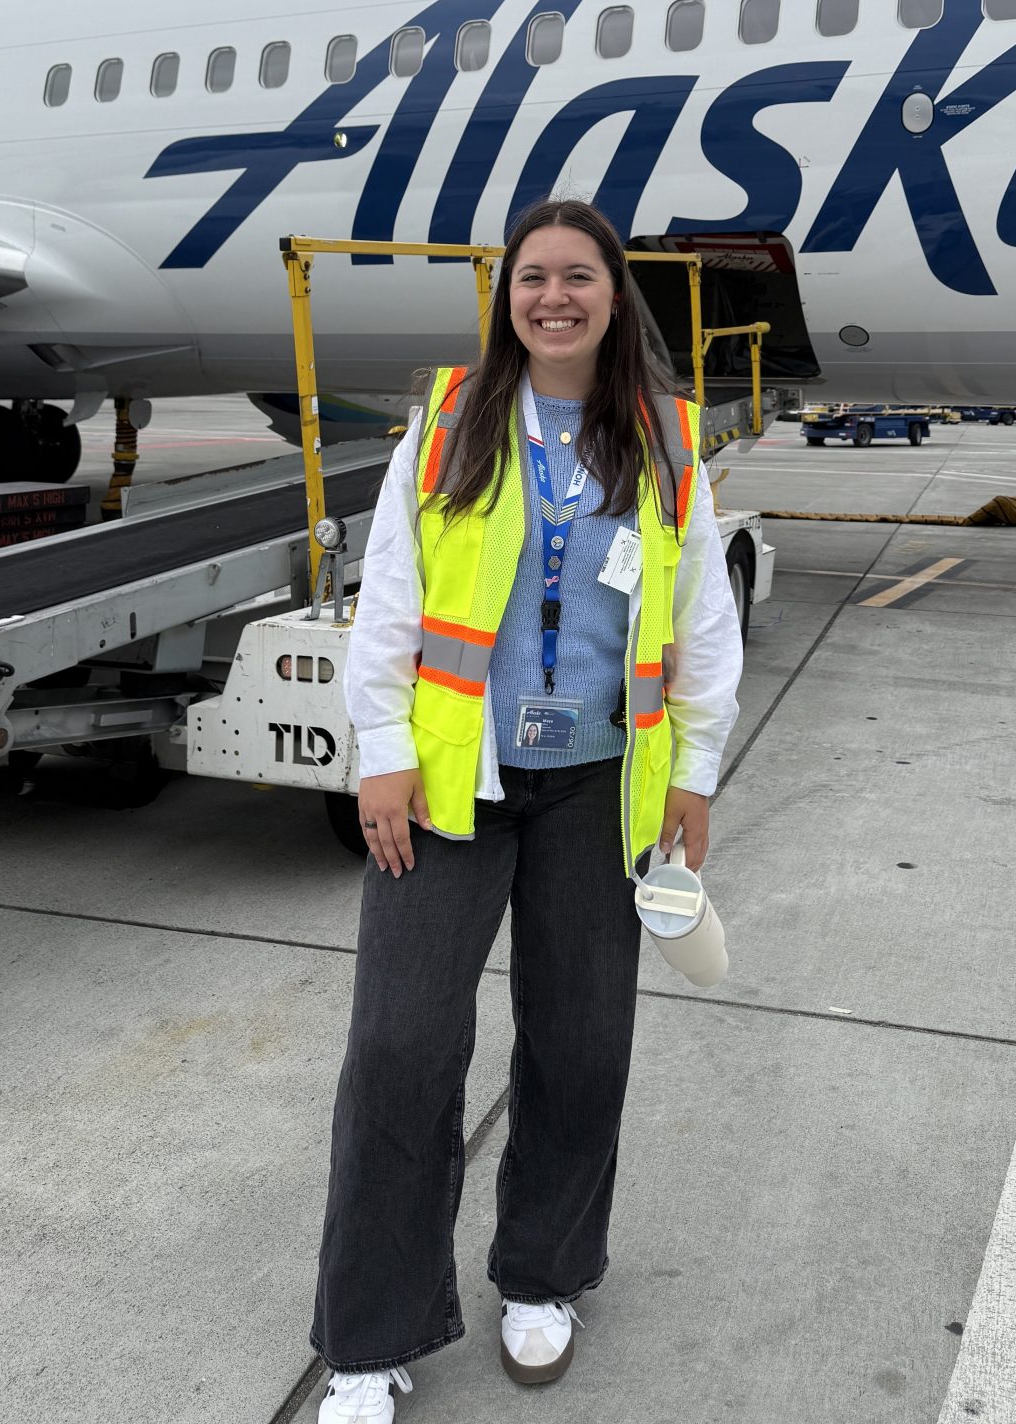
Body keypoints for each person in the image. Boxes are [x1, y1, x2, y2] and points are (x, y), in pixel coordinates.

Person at [309, 197, 742, 1421]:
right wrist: (382, 750)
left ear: (615, 294)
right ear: (508, 299)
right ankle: (370, 1332)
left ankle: (544, 1272)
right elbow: (389, 592)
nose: (554, 297)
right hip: (454, 784)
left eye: (578, 277)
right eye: (532, 278)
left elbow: (702, 623)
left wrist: (695, 772)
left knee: (583, 1042)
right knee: (399, 1047)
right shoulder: (452, 423)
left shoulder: (665, 439)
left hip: (600, 788)